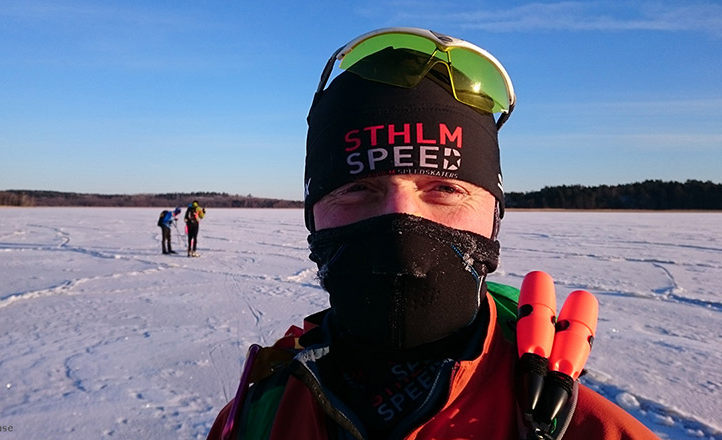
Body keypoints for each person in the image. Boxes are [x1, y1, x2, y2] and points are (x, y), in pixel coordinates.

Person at [207, 28, 658, 439]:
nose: (401, 226)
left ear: (494, 215)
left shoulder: (591, 430)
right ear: (313, 215)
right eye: (358, 188)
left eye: (444, 188)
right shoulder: (255, 416)